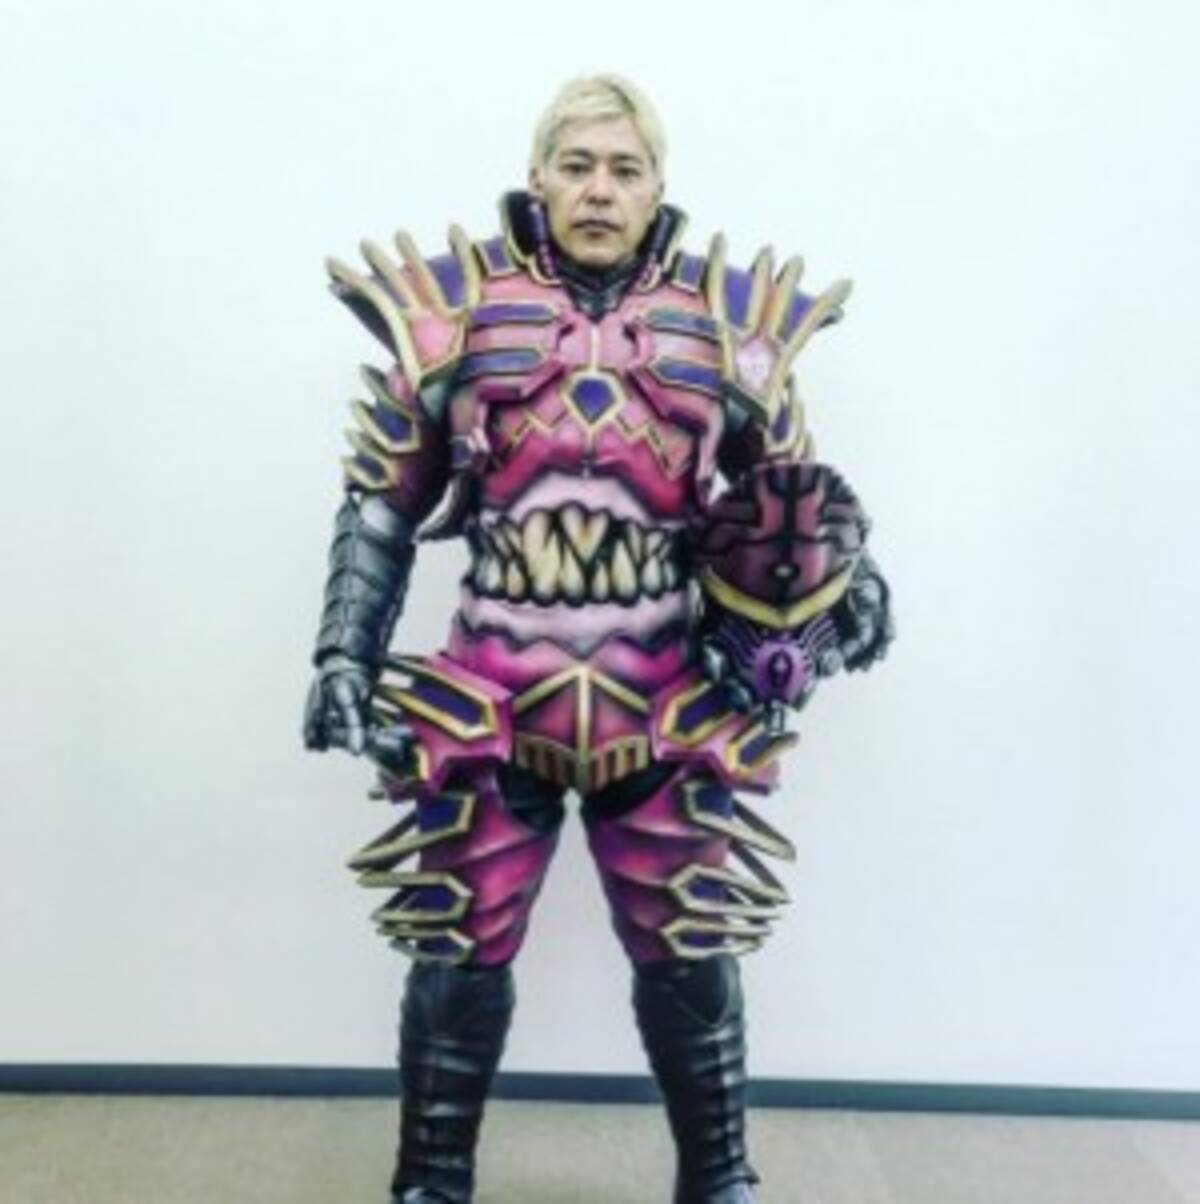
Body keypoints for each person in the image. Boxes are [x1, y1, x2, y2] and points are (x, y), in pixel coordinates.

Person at [303, 74, 892, 1204]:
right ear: (540, 175)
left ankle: (718, 1178)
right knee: (457, 949)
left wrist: (844, 590)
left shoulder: (728, 324)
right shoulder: (455, 314)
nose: (599, 190)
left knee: (691, 952)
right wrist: (343, 653)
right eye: (577, 166)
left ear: (657, 185)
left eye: (624, 169)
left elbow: (790, 498)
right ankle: (430, 1182)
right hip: (491, 689)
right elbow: (382, 504)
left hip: (663, 693)